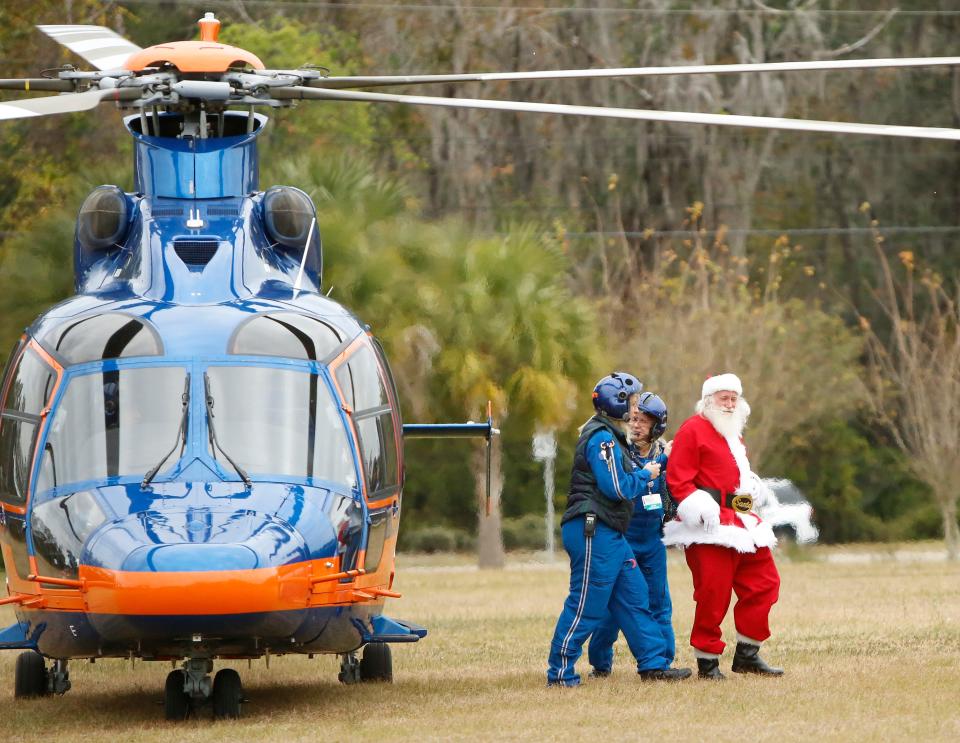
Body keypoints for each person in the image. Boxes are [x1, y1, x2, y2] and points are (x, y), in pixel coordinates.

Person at [547, 373, 691, 687]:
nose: (636, 408)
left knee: (634, 596)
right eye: (634, 400)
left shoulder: (614, 437)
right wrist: (648, 473)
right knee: (586, 605)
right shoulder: (602, 437)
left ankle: (654, 664)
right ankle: (560, 673)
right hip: (591, 528)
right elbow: (617, 487)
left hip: (611, 531)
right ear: (619, 401)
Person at [663, 373, 783, 680]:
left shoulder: (733, 434)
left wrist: (751, 488)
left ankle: (748, 652)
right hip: (708, 526)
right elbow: (678, 479)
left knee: (764, 582)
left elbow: (734, 482)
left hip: (741, 523)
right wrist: (696, 505)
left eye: (733, 399)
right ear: (708, 401)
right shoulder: (693, 429)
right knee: (713, 593)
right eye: (723, 399)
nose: (729, 405)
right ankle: (707, 661)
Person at [587, 391, 676, 676]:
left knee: (659, 602)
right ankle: (600, 663)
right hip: (621, 538)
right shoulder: (617, 449)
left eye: (644, 421)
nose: (636, 425)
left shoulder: (666, 455)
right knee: (611, 609)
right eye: (633, 419)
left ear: (657, 426)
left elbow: (673, 495)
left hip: (652, 540)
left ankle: (663, 661)